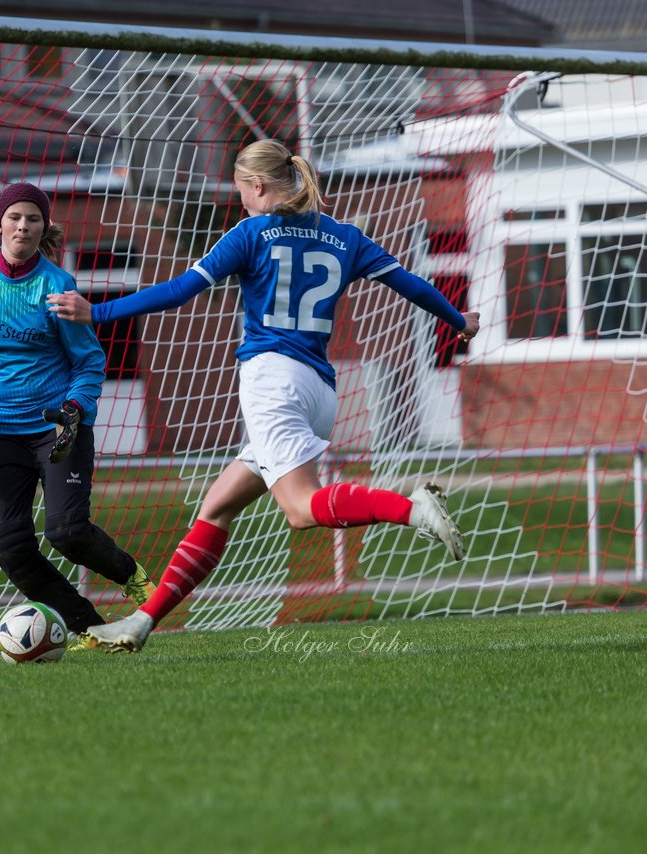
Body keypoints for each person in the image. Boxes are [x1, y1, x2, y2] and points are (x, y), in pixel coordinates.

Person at [47, 140, 481, 653]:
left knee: (299, 509)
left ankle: (410, 509)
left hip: (273, 382)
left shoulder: (252, 232)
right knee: (216, 508)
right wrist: (459, 320)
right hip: (319, 390)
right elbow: (411, 284)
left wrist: (95, 313)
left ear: (256, 186)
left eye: (241, 192)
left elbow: (181, 290)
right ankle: (141, 622)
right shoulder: (343, 236)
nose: (242, 203)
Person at [0, 182, 156, 648]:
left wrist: (75, 410)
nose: (23, 225)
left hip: (57, 428)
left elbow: (89, 360)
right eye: (15, 217)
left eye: (32, 218)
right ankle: (91, 627)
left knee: (67, 531)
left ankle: (131, 574)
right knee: (11, 549)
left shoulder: (57, 285)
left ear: (43, 227)